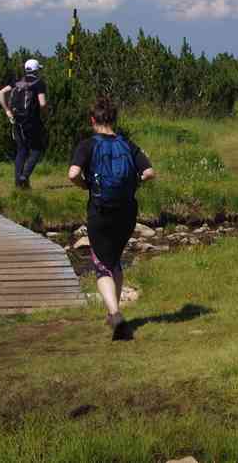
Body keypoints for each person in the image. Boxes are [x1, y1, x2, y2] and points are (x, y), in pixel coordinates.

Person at [68, 97, 155, 341]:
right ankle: (112, 313)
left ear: (92, 120)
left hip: (100, 211)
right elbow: (149, 172)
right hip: (126, 212)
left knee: (101, 264)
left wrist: (85, 185)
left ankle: (115, 313)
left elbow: (72, 173)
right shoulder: (128, 145)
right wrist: (134, 183)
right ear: (114, 119)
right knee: (115, 260)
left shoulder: (87, 145)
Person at [0, 58, 49, 189]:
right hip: (32, 122)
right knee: (36, 150)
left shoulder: (17, 82)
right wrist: (45, 113)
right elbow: (42, 103)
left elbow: (0, 93)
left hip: (17, 121)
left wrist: (7, 111)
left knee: (21, 150)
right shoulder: (39, 83)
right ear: (37, 70)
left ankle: (18, 184)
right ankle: (24, 176)